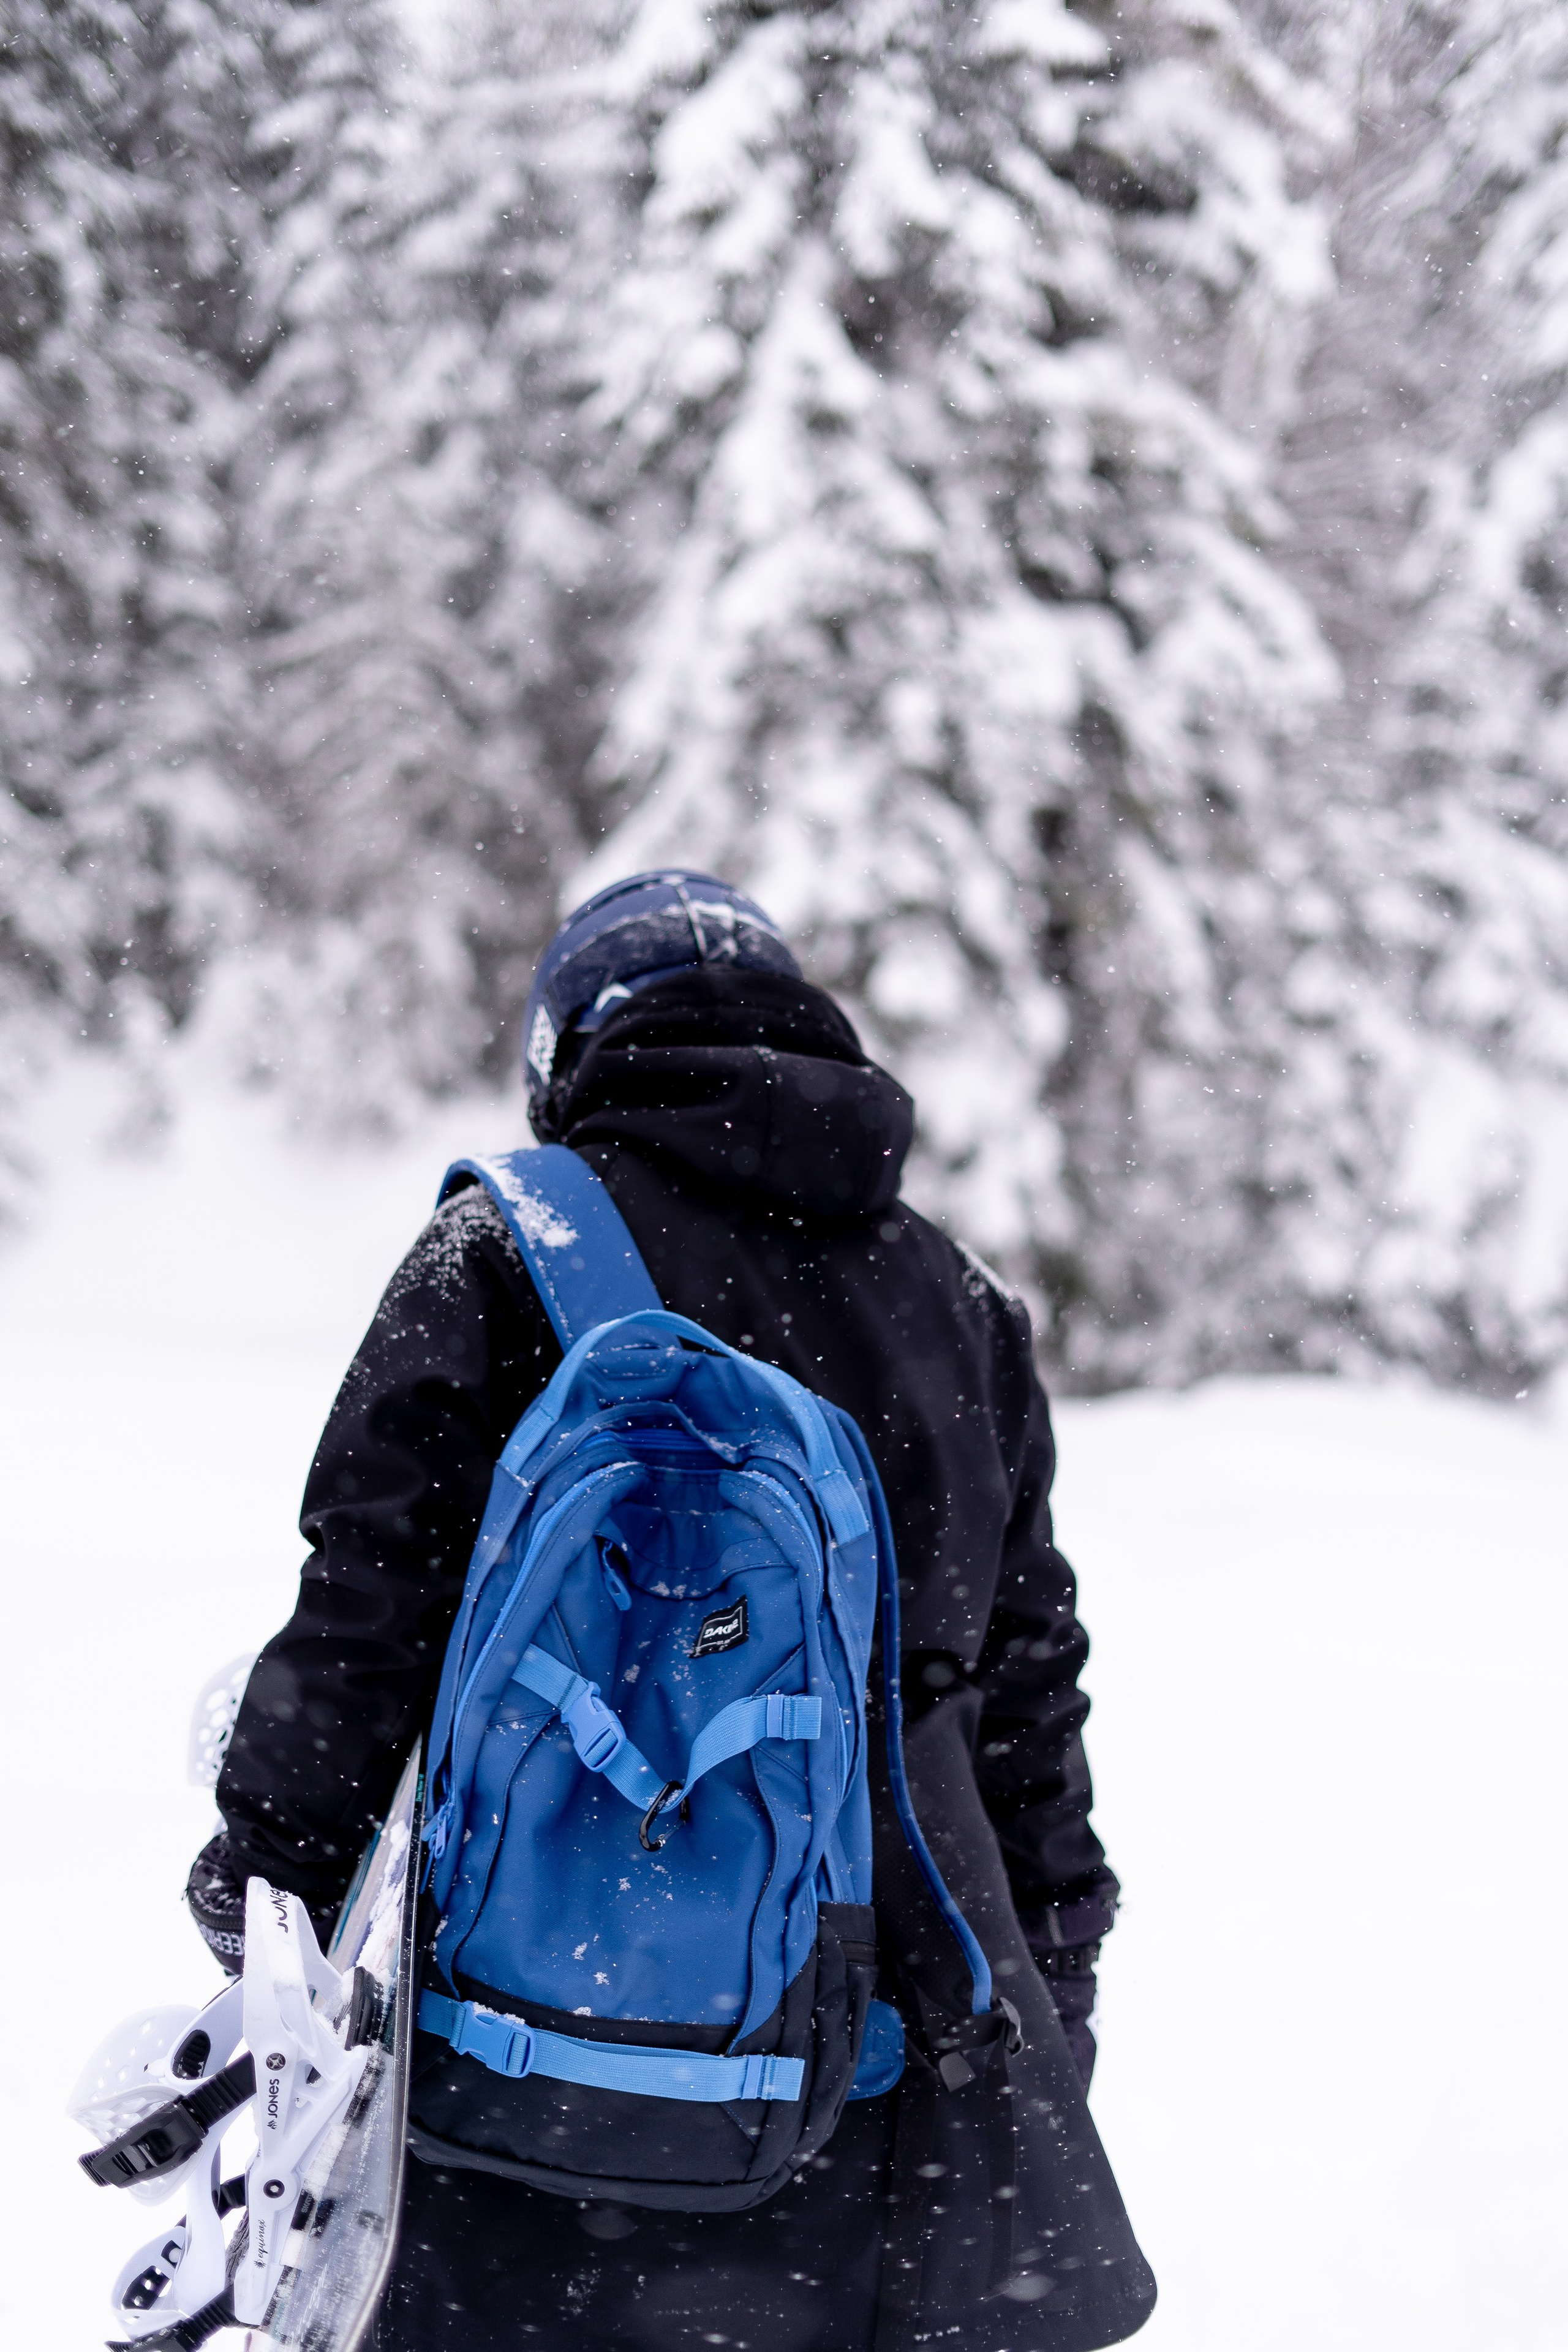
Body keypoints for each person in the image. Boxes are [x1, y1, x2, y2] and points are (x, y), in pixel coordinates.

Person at [187, 871, 1151, 2352]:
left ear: (564, 1054)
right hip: (896, 2062)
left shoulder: (508, 1246)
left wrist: (269, 1874)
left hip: (542, 2051)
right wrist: (1054, 1962)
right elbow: (1027, 1681)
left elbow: (366, 1607)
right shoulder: (958, 1300)